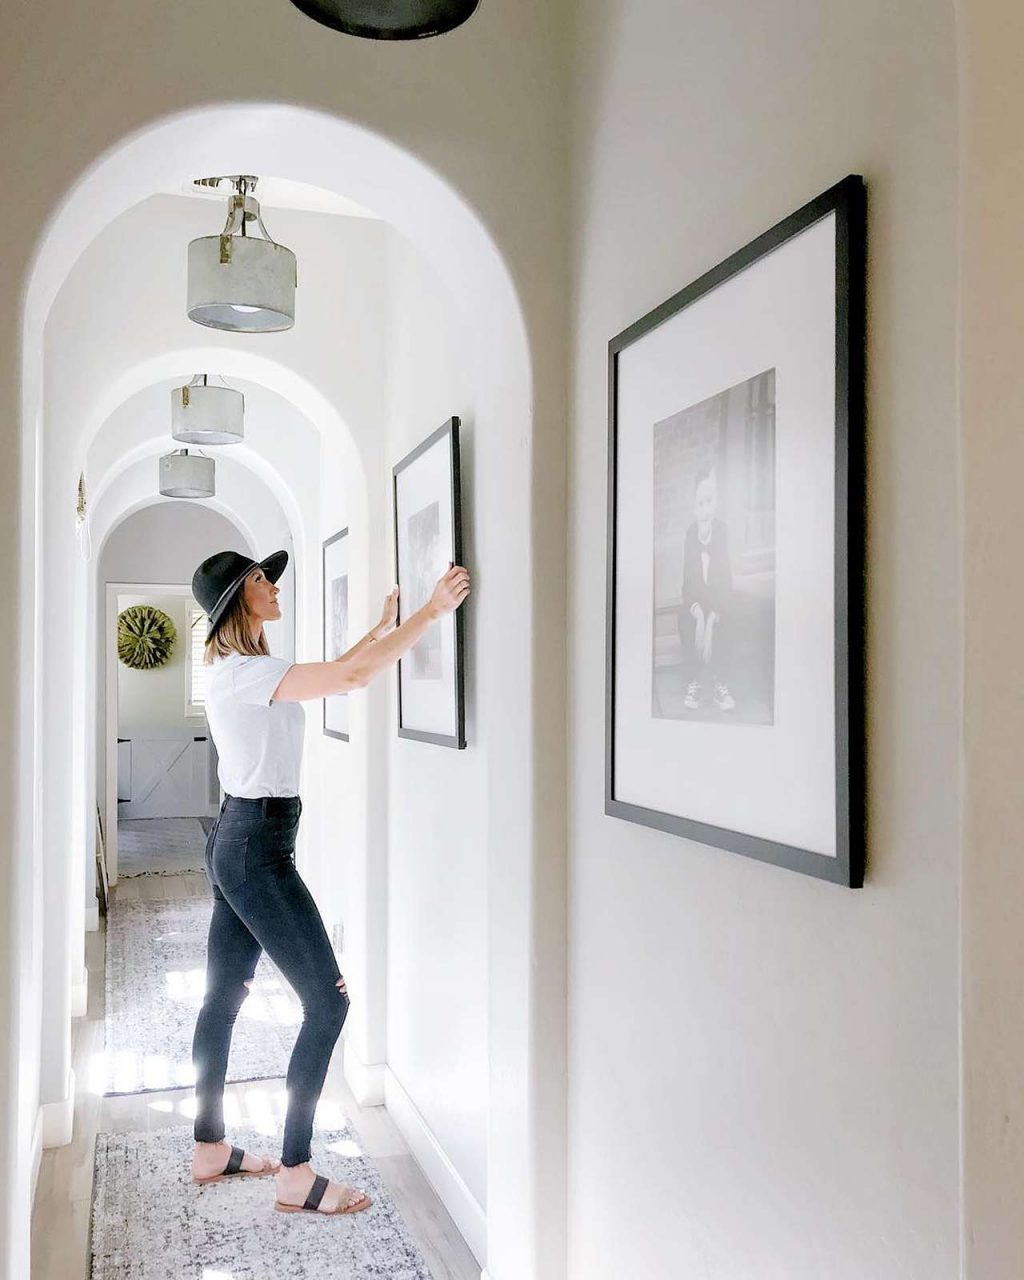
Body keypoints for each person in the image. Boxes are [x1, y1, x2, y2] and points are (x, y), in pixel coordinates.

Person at [188, 547, 470, 1217]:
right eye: (262, 578)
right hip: (257, 850)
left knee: (223, 996)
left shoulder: (249, 671)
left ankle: (209, 1148)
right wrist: (433, 611)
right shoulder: (245, 673)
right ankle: (296, 1170)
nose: (273, 585)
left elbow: (342, 671)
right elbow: (346, 678)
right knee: (329, 1002)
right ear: (238, 600)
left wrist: (380, 631)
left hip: (243, 840)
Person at [677, 465, 736, 712]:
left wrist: (712, 618)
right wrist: (698, 612)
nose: (705, 510)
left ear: (716, 504)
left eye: (709, 502)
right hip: (699, 601)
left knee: (729, 620)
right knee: (684, 618)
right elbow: (688, 582)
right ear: (694, 508)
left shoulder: (722, 532)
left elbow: (725, 581)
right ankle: (695, 680)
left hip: (717, 602)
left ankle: (720, 680)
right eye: (700, 504)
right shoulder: (691, 535)